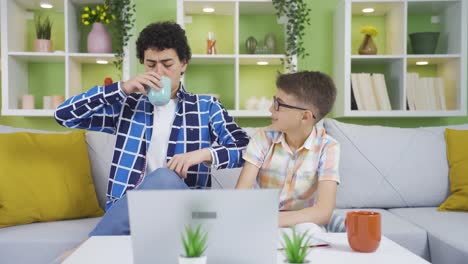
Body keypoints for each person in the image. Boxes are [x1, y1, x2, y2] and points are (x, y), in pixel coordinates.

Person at [54, 21, 249, 236]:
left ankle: (85, 249)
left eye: (167, 64)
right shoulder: (127, 105)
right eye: (151, 64)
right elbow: (63, 115)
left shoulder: (206, 107)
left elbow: (246, 150)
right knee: (160, 179)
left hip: (182, 212)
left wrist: (205, 154)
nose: (159, 73)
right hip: (129, 214)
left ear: (183, 64)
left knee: (164, 177)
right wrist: (122, 88)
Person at [235, 71, 344, 232]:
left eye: (278, 104)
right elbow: (240, 196)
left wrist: (269, 220)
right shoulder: (263, 138)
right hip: (264, 218)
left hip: (303, 221)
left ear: (305, 117)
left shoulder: (328, 147)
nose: (271, 109)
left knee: (309, 231)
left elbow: (323, 211)